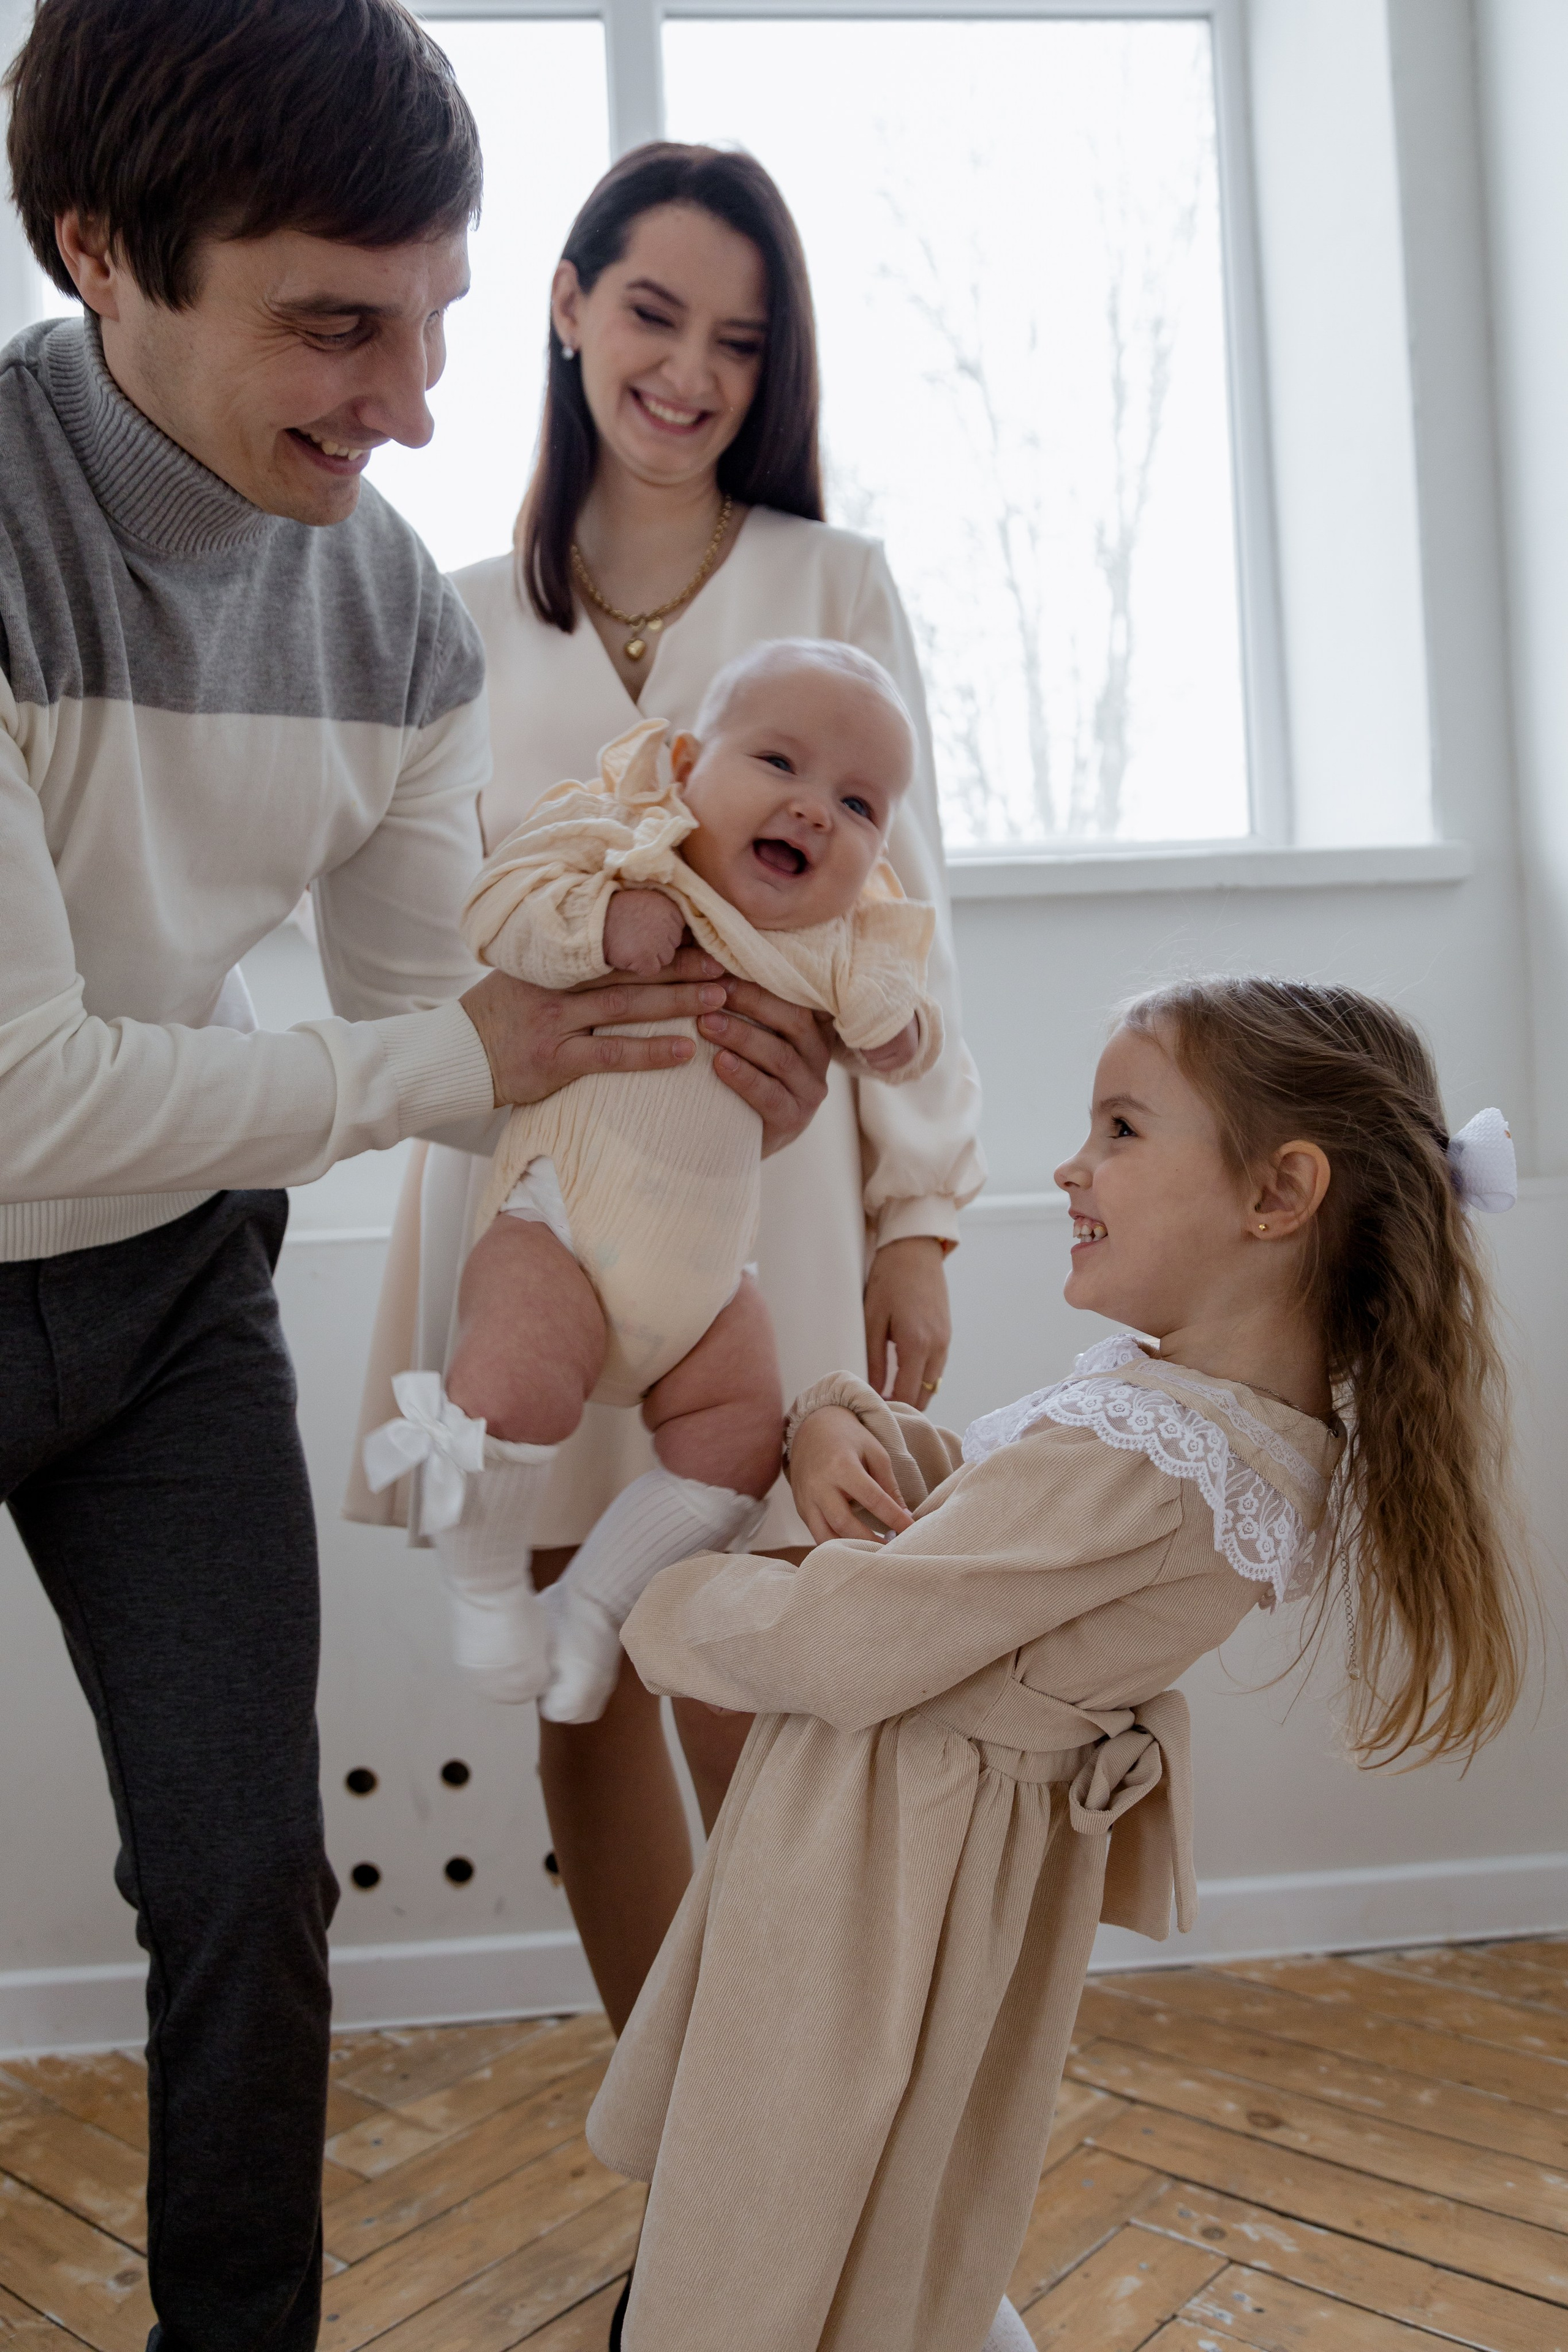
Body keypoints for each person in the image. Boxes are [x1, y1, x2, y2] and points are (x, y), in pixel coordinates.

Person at [0, 4, 823, 2342]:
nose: (417, 403)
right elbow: (19, 1089)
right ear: (99, 254)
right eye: (335, 324)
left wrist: (683, 1063)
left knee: (254, 1875)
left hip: (165, 1302)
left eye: (440, 317)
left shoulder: (378, 611)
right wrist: (453, 1052)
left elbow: (461, 1051)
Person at [587, 976, 1527, 2352]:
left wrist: (662, 1605)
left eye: (1122, 1129)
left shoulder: (1145, 1462)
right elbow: (983, 1537)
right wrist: (846, 1428)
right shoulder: (1190, 1428)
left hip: (879, 1862)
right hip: (940, 1857)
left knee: (783, 2152)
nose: (1068, 1165)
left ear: (1275, 1195)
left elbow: (851, 1639)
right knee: (885, 2147)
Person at [349, 141, 986, 2029]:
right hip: (537, 1197)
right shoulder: (449, 610)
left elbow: (914, 937)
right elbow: (414, 945)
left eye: (738, 338)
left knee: (755, 1690)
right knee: (584, 1698)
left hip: (761, 1220)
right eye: (650, 313)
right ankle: (691, 2177)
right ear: (564, 306)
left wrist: (920, 1220)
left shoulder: (833, 580)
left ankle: (824, 2202)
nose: (689, 372)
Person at [368, 642, 940, 1724]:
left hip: (709, 1276)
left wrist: (902, 1034)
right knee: (513, 1385)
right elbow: (497, 905)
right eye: (780, 763)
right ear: (684, 763)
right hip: (562, 1222)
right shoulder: (624, 848)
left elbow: (890, 1007)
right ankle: (487, 1578)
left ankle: (594, 1603)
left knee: (739, 1445)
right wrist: (599, 924)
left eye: (860, 804)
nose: (816, 811)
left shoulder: (832, 937)